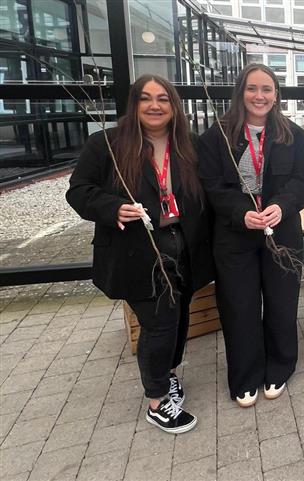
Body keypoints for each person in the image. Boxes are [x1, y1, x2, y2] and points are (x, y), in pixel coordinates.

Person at [66, 75, 213, 434]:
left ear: (173, 105)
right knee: (159, 323)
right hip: (138, 252)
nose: (154, 105)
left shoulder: (188, 145)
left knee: (178, 318)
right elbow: (79, 192)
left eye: (163, 98)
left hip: (183, 247)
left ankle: (167, 375)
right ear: (133, 104)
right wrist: (112, 207)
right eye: (146, 98)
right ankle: (157, 400)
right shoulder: (108, 145)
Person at [198, 64, 304, 407]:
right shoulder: (216, 136)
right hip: (235, 237)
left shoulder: (292, 134)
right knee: (239, 306)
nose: (259, 96)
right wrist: (239, 212)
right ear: (240, 92)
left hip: (282, 234)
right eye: (252, 89)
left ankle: (280, 365)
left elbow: (301, 182)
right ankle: (245, 375)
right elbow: (211, 186)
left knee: (281, 302)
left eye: (267, 89)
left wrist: (281, 206)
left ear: (276, 94)